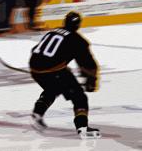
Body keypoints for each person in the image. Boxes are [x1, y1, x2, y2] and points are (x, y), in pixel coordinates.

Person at [29, 11, 101, 139]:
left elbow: (36, 50)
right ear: (78, 25)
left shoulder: (53, 31)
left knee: (52, 89)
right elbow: (88, 65)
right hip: (53, 71)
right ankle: (83, 128)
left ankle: (37, 113)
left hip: (35, 69)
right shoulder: (78, 40)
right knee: (79, 97)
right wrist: (91, 81)